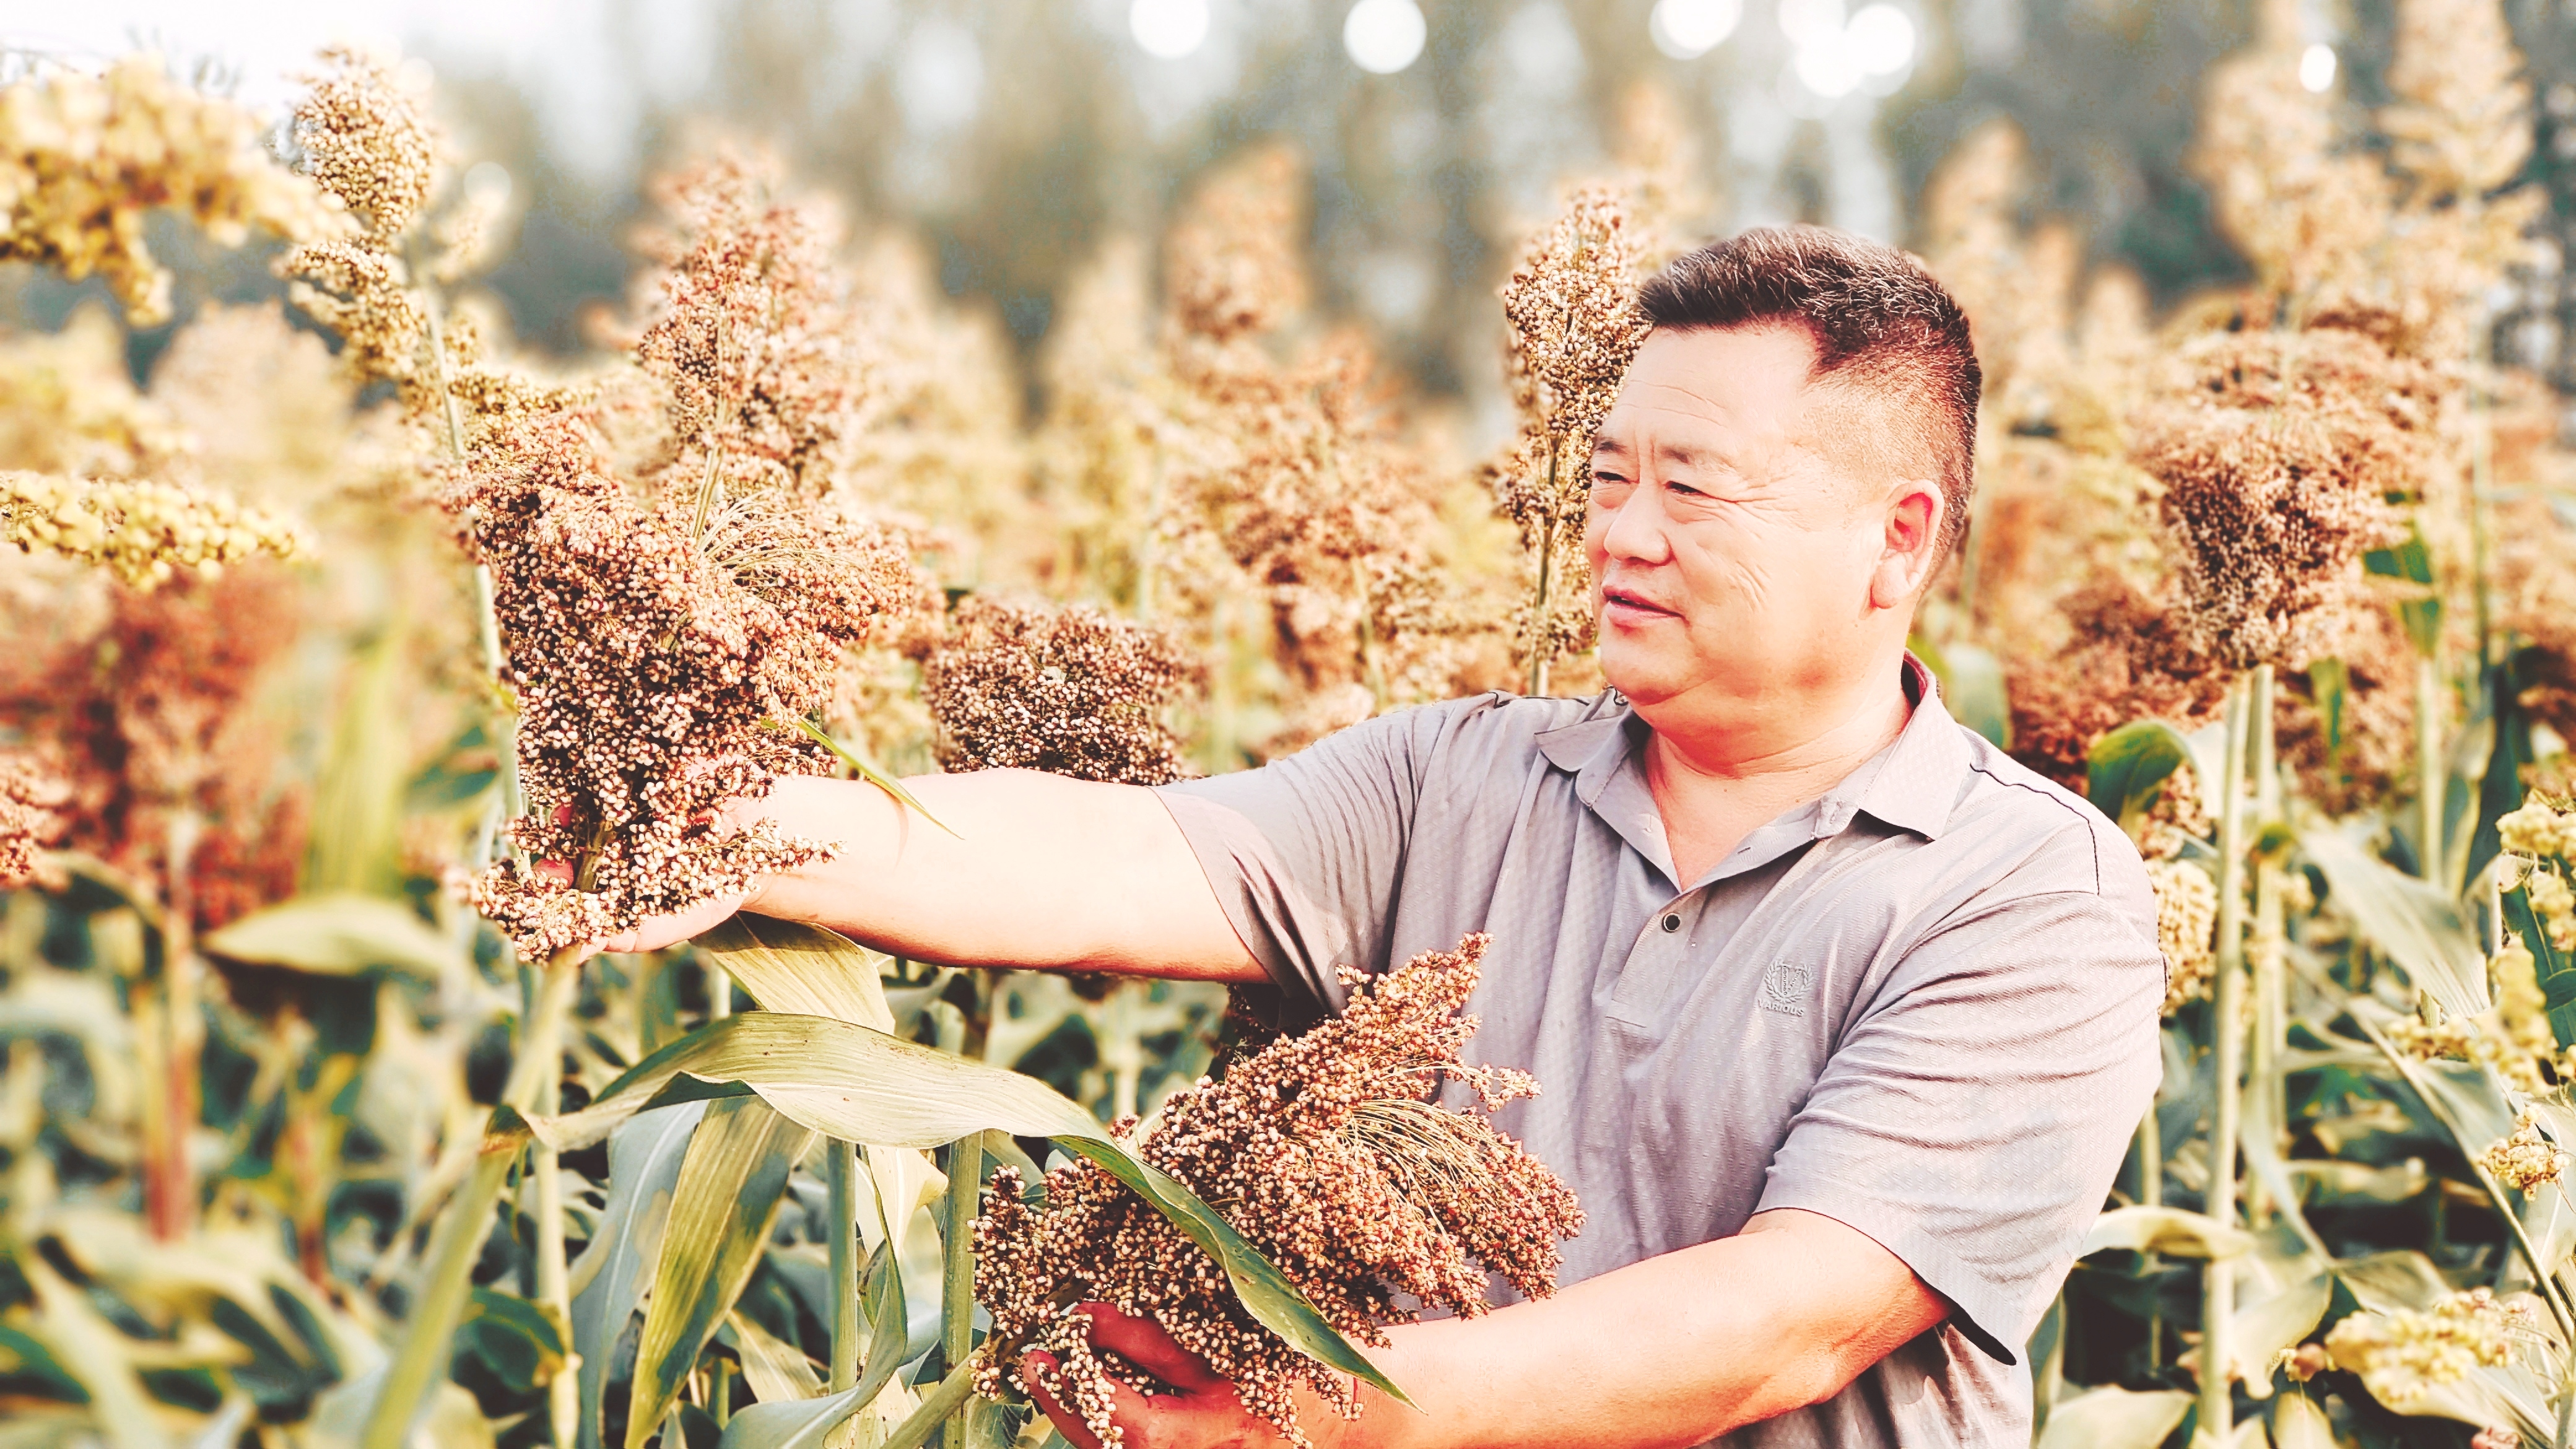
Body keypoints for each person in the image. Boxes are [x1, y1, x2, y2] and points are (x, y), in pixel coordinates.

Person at [608, 225, 2166, 1448]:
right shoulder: (1456, 778)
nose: (1620, 534)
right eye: (1608, 477)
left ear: (1897, 538)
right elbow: (1122, 857)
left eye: (1694, 490)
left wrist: (1319, 1415)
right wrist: (739, 827)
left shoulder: (2030, 894)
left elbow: (1786, 1322)